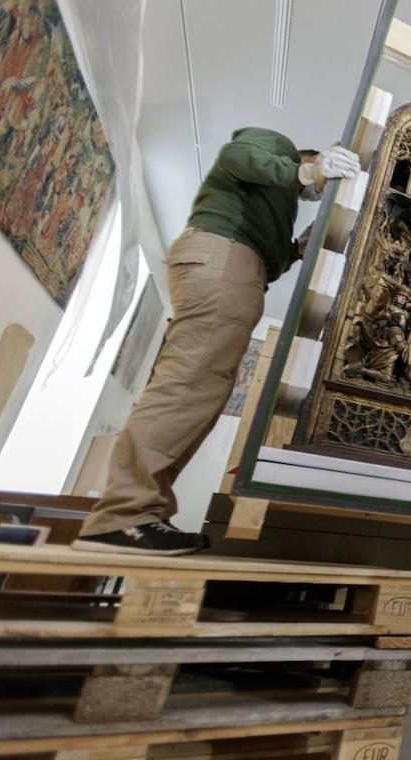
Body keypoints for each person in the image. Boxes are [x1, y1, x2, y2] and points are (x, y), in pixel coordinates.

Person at [72, 128, 359, 556]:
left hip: (238, 269)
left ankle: (141, 512)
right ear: (305, 153)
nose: (314, 190)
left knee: (201, 391)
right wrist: (308, 169)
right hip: (222, 260)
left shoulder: (269, 204)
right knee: (189, 383)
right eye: (318, 184)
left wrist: (297, 249)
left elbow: (271, 260)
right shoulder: (272, 144)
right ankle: (121, 518)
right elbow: (239, 156)